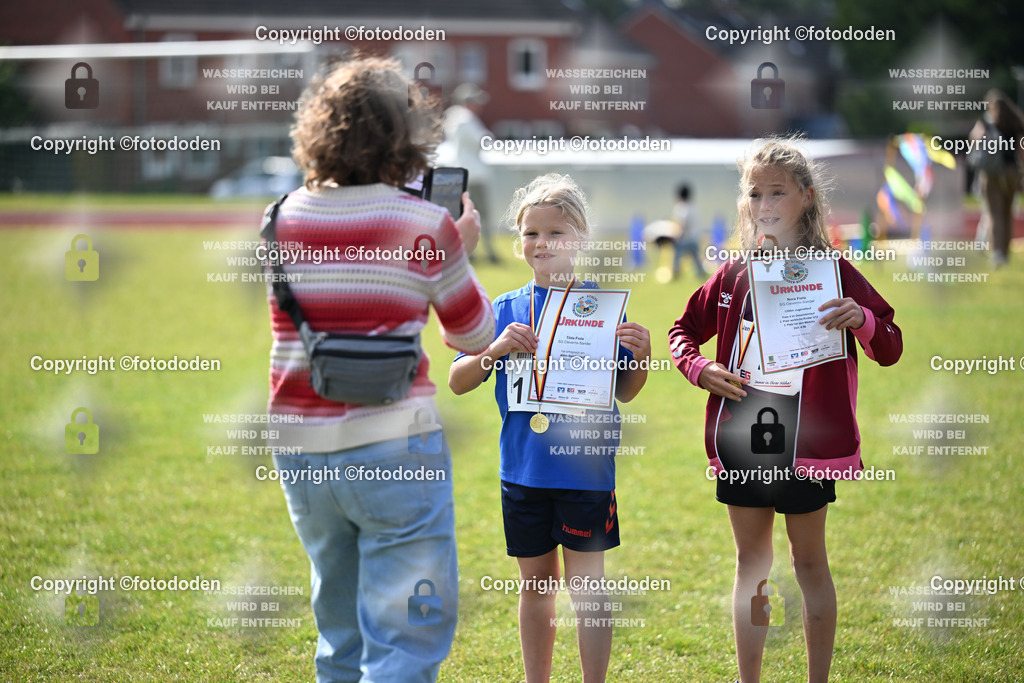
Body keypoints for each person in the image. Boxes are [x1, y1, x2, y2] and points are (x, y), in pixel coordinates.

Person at [264, 55, 495, 683]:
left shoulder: (280, 217)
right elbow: (473, 336)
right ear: (406, 135)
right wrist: (459, 249)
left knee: (338, 631)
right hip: (395, 443)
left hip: (300, 445)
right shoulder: (426, 223)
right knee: (404, 641)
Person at [667, 139, 902, 683]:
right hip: (745, 432)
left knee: (809, 563)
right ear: (743, 202)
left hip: (808, 442)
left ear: (806, 198)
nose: (765, 201)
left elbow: (889, 346)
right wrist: (698, 368)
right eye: (754, 192)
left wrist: (862, 318)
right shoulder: (731, 275)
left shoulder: (836, 272)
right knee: (752, 565)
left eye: (778, 191)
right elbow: (681, 332)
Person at [448, 174, 651, 682]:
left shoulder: (604, 309)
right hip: (523, 472)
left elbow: (625, 390)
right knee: (535, 588)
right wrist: (494, 350)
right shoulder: (503, 310)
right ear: (519, 241)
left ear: (580, 238)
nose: (542, 243)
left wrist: (643, 357)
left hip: (586, 473)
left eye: (555, 233)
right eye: (531, 233)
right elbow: (456, 380)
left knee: (589, 590)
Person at [439, 82, 500, 263]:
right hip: (475, 174)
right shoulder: (467, 119)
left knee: (462, 214)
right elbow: (484, 141)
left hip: (459, 172)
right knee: (483, 214)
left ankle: (466, 252)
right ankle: (489, 253)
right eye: (476, 101)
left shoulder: (452, 118)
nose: (479, 106)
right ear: (469, 102)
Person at [968, 89, 1024, 266]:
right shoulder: (1015, 122)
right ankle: (1005, 254)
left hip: (992, 173)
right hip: (1012, 172)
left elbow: (973, 139)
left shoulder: (986, 122)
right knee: (1007, 213)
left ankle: (998, 254)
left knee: (994, 213)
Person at [643, 183, 707, 282]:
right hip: (694, 238)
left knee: (676, 256)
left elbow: (681, 225)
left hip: (685, 238)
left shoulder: (680, 208)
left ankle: (675, 273)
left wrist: (675, 237)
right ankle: (701, 273)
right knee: (696, 257)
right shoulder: (693, 207)